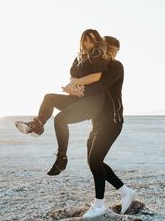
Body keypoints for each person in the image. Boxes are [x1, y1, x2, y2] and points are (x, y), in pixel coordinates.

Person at [15, 29, 109, 175]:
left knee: (60, 119)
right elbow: (73, 77)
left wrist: (76, 83)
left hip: (92, 102)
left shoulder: (96, 55)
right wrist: (72, 88)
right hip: (78, 98)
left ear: (96, 41)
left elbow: (96, 76)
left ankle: (61, 158)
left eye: (91, 40)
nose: (87, 43)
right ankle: (37, 125)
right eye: (85, 40)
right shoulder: (79, 58)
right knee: (49, 98)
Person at [65, 36, 136, 219]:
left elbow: (99, 86)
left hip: (112, 121)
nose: (109, 53)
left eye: (113, 51)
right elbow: (79, 74)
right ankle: (125, 191)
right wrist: (75, 82)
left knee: (96, 160)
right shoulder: (95, 65)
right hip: (97, 121)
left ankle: (98, 205)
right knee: (93, 161)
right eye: (107, 49)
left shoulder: (115, 66)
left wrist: (77, 85)